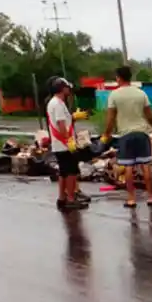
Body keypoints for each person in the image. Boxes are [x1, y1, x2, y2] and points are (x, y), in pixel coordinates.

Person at [101, 66, 152, 208]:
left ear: (118, 78)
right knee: (146, 164)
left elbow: (110, 118)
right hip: (142, 133)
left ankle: (131, 199)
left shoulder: (114, 95)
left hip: (125, 135)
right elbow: (149, 114)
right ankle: (151, 197)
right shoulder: (141, 94)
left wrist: (106, 134)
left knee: (128, 167)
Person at [47, 77, 89, 211]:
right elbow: (60, 124)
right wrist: (69, 141)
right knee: (71, 172)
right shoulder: (58, 104)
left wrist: (73, 118)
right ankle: (70, 199)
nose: (68, 90)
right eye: (67, 88)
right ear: (62, 88)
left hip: (59, 144)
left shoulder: (54, 102)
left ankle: (62, 198)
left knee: (63, 173)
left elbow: (64, 121)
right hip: (63, 145)